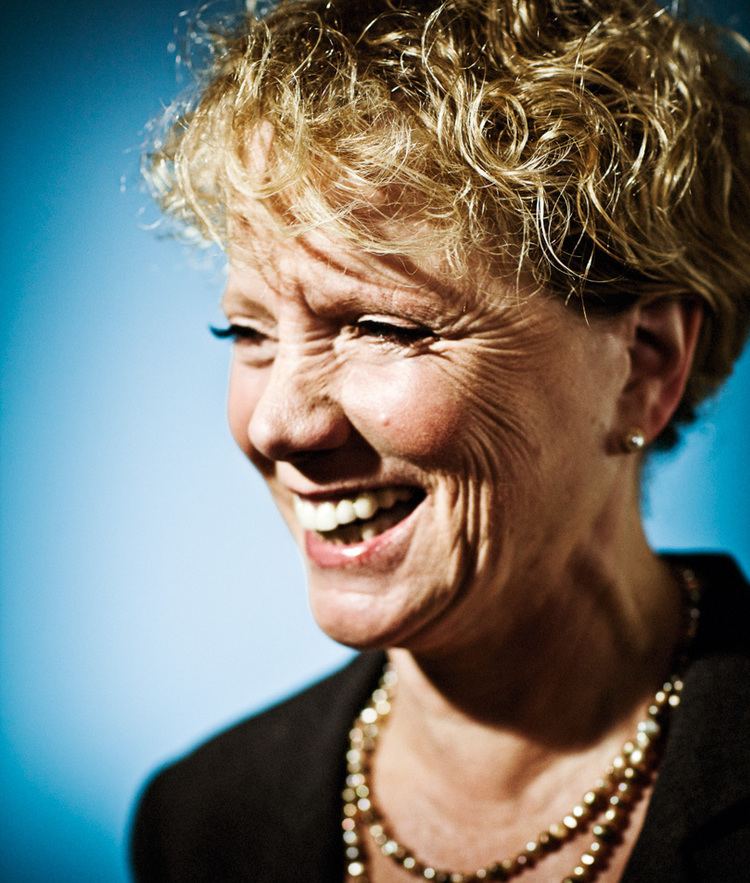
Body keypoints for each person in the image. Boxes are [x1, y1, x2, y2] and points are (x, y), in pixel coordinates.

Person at [131, 1, 750, 880]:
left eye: (380, 326)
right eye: (249, 334)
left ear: (645, 366)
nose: (276, 423)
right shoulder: (202, 823)